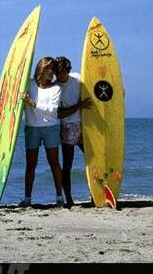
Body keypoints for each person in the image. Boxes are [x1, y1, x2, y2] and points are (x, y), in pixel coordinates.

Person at [19, 57, 64, 207]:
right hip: (32, 128)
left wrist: (32, 103)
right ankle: (27, 199)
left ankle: (59, 197)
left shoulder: (56, 89)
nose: (52, 73)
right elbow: (15, 98)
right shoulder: (29, 84)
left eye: (54, 70)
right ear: (42, 68)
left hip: (51, 128)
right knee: (31, 164)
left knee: (54, 163)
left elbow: (53, 111)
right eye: (50, 69)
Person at [55, 56, 92, 208]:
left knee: (92, 162)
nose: (60, 75)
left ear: (69, 70)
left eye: (62, 71)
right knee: (68, 165)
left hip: (85, 125)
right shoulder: (55, 88)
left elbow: (95, 87)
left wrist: (116, 90)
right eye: (57, 72)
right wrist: (79, 106)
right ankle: (69, 199)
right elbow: (59, 114)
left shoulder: (77, 78)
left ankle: (95, 194)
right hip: (67, 128)